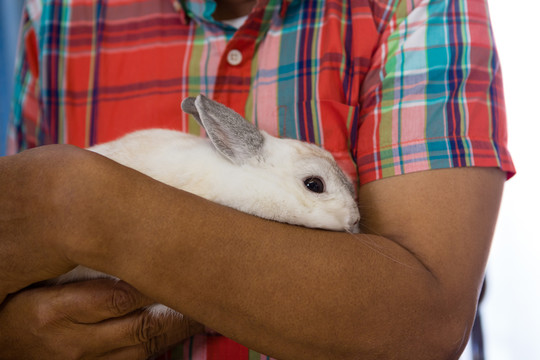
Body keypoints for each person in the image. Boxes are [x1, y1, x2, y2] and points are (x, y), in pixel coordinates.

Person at [0, 0, 515, 359]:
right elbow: (17, 236)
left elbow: (426, 326)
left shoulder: (415, 8)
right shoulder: (55, 15)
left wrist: (80, 203)